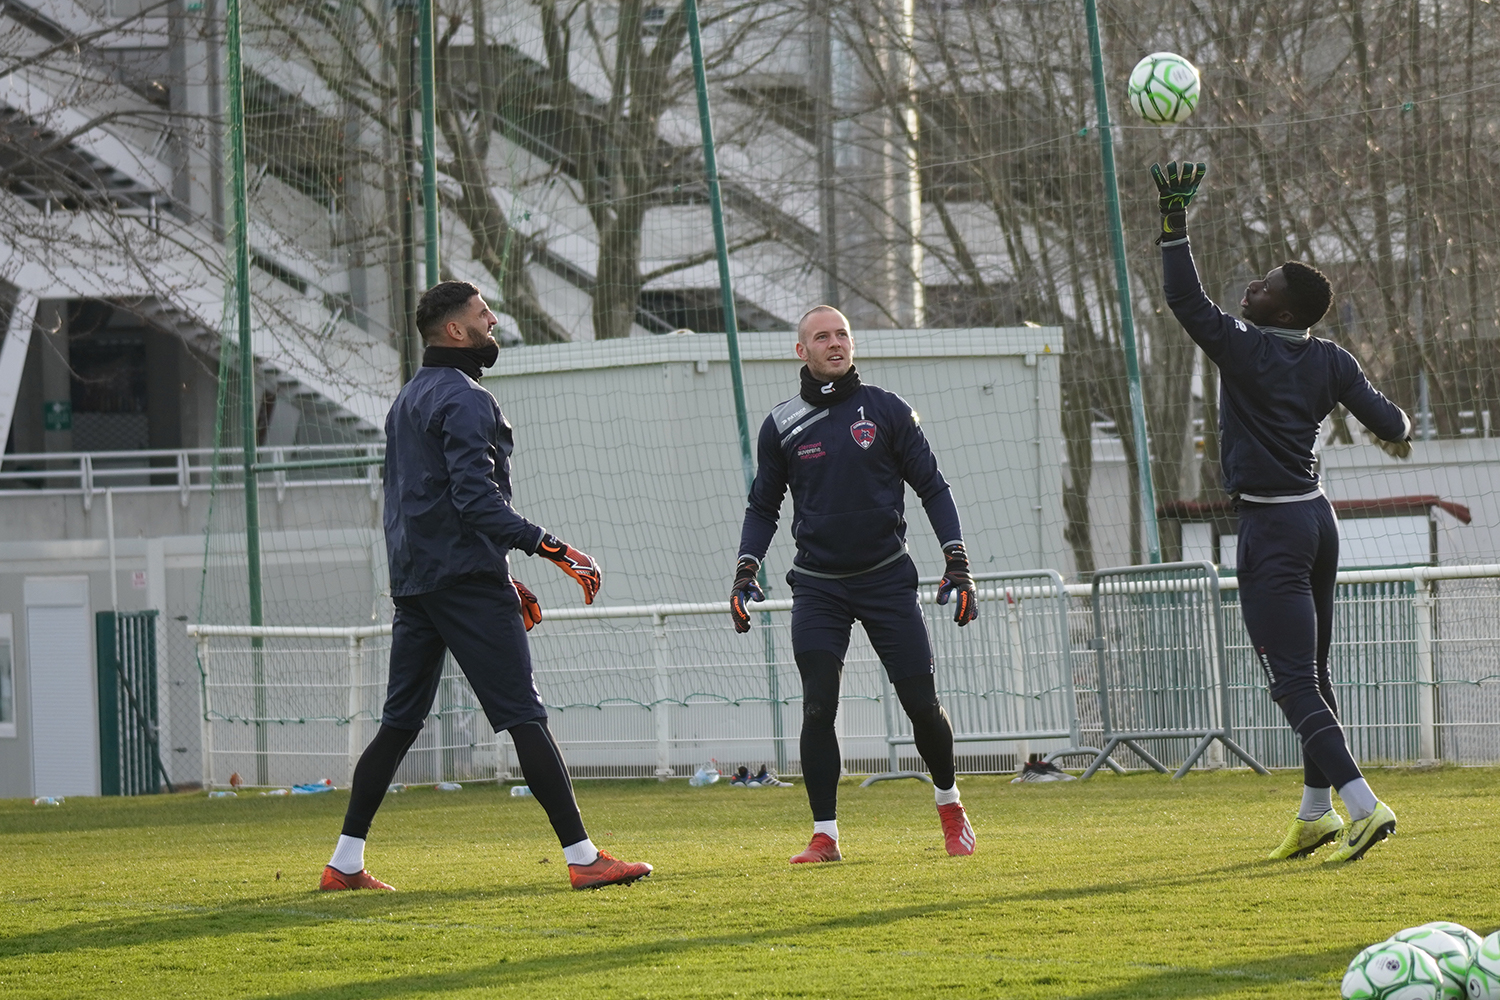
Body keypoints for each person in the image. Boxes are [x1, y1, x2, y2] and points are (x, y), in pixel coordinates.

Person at [320, 281, 652, 891]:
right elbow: (477, 500)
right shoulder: (467, 399)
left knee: (398, 723)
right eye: (482, 314)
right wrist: (556, 551)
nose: (492, 320)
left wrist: (500, 570)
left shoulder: (407, 400)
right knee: (525, 715)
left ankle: (343, 864)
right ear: (455, 331)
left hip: (418, 583)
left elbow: (428, 506)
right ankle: (583, 859)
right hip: (463, 583)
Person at [1153, 161, 1412, 862]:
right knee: (1315, 673)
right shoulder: (1331, 358)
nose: (1252, 288)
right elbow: (1391, 419)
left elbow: (1185, 298)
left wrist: (1175, 223)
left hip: (1271, 528)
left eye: (1263, 288)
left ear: (1285, 312)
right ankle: (1314, 814)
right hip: (1318, 522)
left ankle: (1364, 807)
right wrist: (1399, 435)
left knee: (1292, 683)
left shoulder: (1244, 347)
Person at [730, 305, 979, 864]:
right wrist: (746, 571)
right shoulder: (782, 424)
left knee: (921, 704)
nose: (835, 343)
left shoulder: (887, 411)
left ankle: (949, 803)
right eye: (822, 336)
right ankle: (826, 837)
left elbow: (933, 489)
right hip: (819, 586)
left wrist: (956, 561)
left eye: (842, 333)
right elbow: (762, 508)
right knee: (818, 707)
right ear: (802, 352)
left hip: (888, 580)